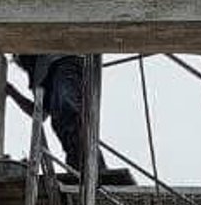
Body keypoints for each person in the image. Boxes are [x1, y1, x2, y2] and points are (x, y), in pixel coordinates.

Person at [10, 54, 134, 188]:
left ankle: (92, 170)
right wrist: (11, 91)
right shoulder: (38, 77)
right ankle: (87, 169)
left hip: (64, 62)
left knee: (70, 112)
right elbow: (40, 114)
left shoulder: (43, 61)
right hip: (58, 74)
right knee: (67, 125)